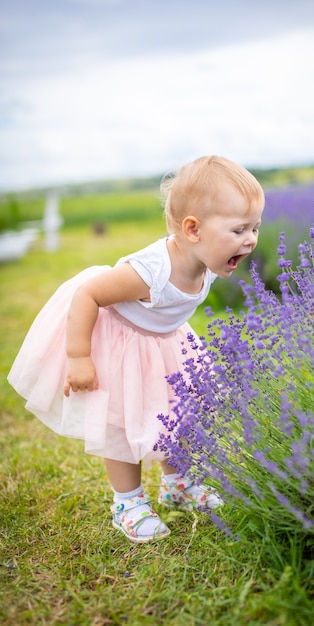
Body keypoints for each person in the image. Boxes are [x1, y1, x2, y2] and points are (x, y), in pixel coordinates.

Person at [8, 155, 265, 543]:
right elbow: (89, 294)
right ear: (193, 229)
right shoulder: (151, 271)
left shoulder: (210, 262)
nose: (250, 240)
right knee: (125, 425)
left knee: (180, 415)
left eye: (256, 228)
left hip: (163, 342)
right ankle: (127, 503)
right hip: (119, 341)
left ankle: (178, 483)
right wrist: (79, 356)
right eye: (239, 229)